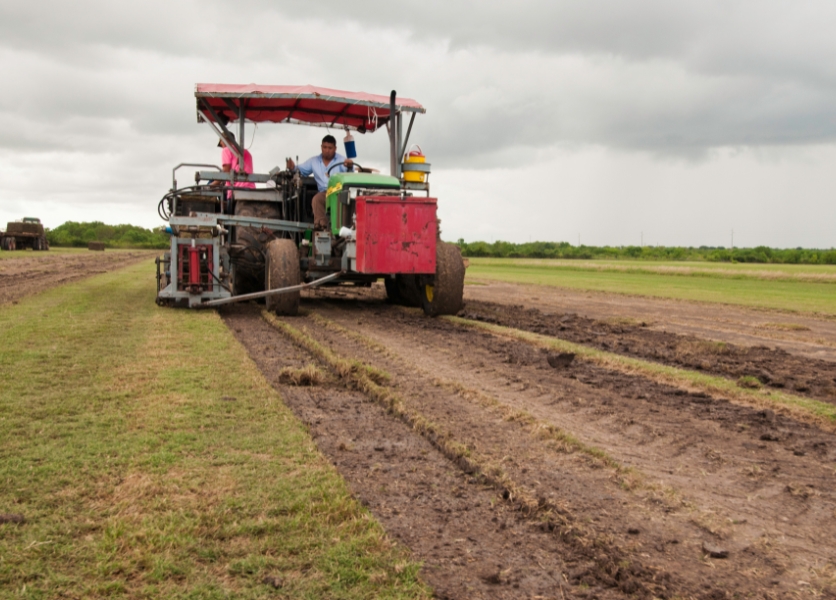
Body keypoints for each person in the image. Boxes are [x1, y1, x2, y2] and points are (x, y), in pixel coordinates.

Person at [286, 135, 353, 230]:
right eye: (325, 147)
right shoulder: (314, 161)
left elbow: (349, 174)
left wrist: (350, 166)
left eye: (330, 148)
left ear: (335, 148)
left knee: (341, 203)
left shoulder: (342, 160)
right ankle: (322, 226)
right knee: (316, 199)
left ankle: (340, 229)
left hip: (339, 193)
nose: (327, 150)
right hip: (324, 193)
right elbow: (300, 169)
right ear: (321, 147)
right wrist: (292, 167)